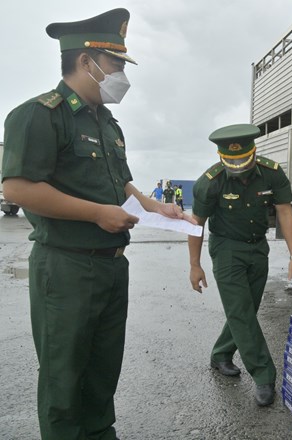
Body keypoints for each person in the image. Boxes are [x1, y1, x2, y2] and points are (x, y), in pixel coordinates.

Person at [1, 9, 193, 439]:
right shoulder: (38, 115)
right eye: (116, 64)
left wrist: (155, 206)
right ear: (86, 61)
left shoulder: (107, 123)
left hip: (111, 264)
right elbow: (17, 189)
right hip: (66, 266)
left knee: (103, 367)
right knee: (64, 375)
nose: (122, 74)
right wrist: (96, 213)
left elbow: (118, 182)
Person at [188, 123, 292, 406]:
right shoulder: (210, 182)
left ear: (254, 152)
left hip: (257, 248)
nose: (238, 165)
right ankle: (264, 375)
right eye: (231, 161)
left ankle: (221, 354)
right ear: (221, 156)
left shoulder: (271, 173)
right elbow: (196, 225)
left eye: (243, 160)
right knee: (240, 311)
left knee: (246, 309)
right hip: (226, 249)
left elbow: (285, 212)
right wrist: (195, 265)